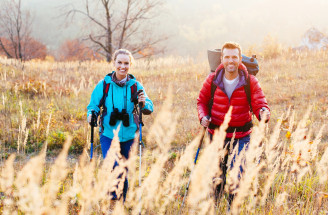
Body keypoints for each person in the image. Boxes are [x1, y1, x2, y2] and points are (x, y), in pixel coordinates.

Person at [197, 42, 270, 207]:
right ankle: (214, 205)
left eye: (234, 57)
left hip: (242, 136)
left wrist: (263, 112)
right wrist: (203, 116)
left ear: (240, 59)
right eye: (227, 57)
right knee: (217, 176)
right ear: (222, 58)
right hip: (216, 135)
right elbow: (201, 101)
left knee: (237, 176)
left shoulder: (250, 81)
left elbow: (260, 102)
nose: (231, 61)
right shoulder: (212, 79)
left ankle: (231, 208)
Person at [87, 49, 153, 201]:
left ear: (130, 65)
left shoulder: (135, 86)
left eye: (126, 63)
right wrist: (91, 115)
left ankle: (120, 203)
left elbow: (149, 107)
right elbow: (93, 105)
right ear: (114, 63)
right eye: (120, 63)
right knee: (113, 166)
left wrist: (144, 103)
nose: (123, 66)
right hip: (108, 134)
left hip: (129, 135)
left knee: (123, 170)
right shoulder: (104, 85)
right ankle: (112, 199)